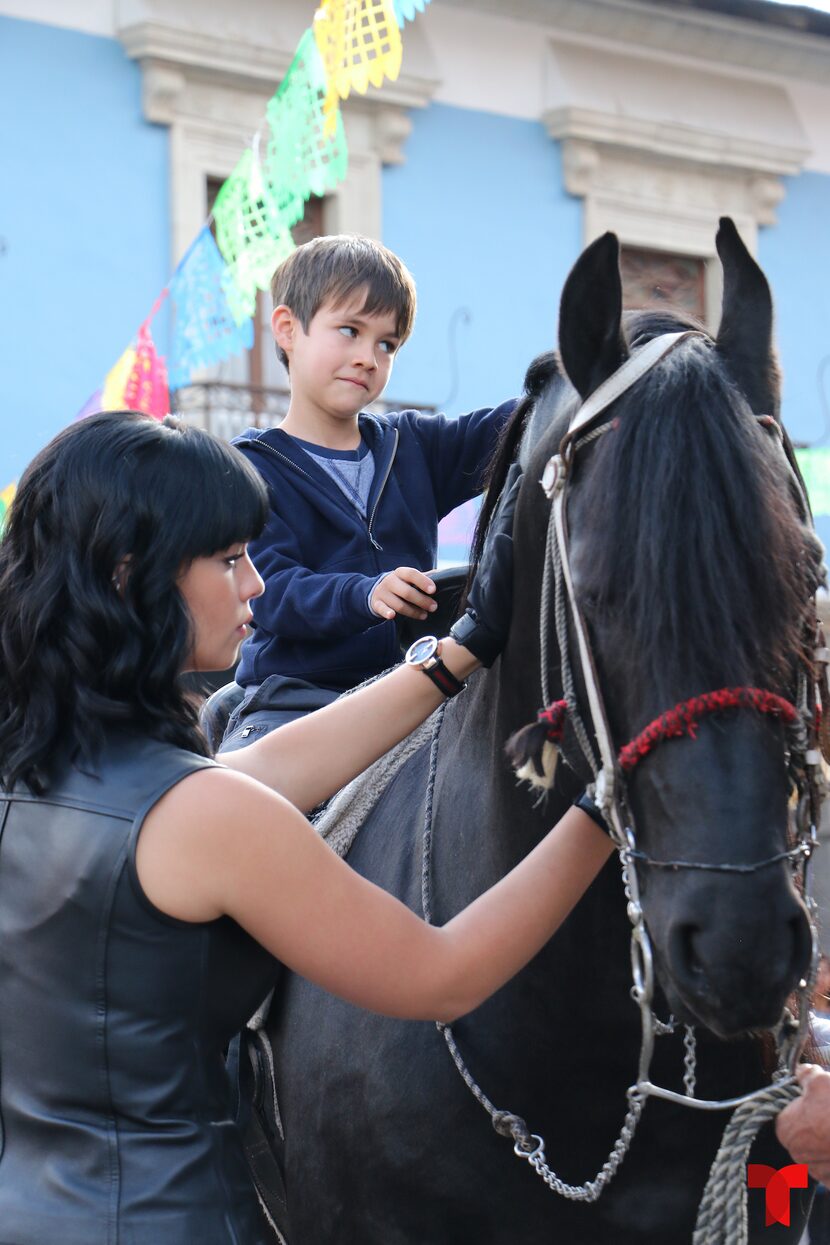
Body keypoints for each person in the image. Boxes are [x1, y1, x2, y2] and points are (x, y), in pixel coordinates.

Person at [0, 410, 612, 1245]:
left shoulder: (44, 767)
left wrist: (458, 648)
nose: (256, 582)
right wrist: (610, 799)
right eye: (228, 558)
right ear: (127, 574)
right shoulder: (206, 816)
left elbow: (269, 770)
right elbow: (446, 974)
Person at [218, 233, 516, 751]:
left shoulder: (413, 445)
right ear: (288, 329)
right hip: (297, 703)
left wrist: (593, 373)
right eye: (350, 331)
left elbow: (510, 427)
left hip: (411, 690)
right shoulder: (251, 470)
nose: (368, 357)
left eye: (387, 344)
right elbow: (275, 592)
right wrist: (366, 593)